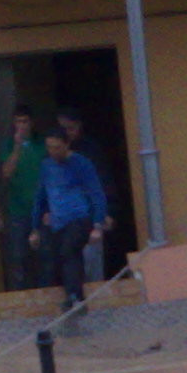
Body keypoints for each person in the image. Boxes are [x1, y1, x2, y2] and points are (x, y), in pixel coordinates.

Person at [34, 129, 110, 310]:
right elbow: (40, 197)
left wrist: (97, 224)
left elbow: (96, 193)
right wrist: (35, 227)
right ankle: (75, 295)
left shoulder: (81, 164)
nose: (53, 152)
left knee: (69, 251)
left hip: (79, 218)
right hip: (58, 221)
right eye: (50, 148)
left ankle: (75, 295)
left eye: (57, 148)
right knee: (61, 257)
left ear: (66, 145)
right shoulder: (46, 166)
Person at [55, 108, 111, 284]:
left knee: (92, 265)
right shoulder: (53, 156)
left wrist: (106, 213)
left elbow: (102, 185)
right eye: (63, 129)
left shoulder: (91, 151)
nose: (68, 133)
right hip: (65, 219)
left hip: (89, 216)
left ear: (79, 127)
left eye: (70, 128)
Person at [0, 107, 45, 290]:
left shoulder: (41, 144)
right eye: (18, 122)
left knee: (44, 256)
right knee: (19, 257)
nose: (22, 126)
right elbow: (6, 173)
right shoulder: (9, 145)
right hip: (19, 210)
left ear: (31, 123)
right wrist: (17, 147)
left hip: (42, 210)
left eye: (25, 121)